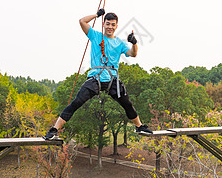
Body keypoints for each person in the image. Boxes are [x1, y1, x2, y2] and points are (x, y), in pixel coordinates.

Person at [44, 9, 152, 140]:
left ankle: (139, 126)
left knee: (127, 104)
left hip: (112, 79)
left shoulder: (119, 43)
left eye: (113, 24)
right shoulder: (96, 36)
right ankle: (54, 130)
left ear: (116, 26)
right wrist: (97, 15)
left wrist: (134, 43)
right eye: (107, 24)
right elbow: (82, 21)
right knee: (77, 102)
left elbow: (133, 54)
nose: (110, 27)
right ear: (104, 24)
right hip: (96, 78)